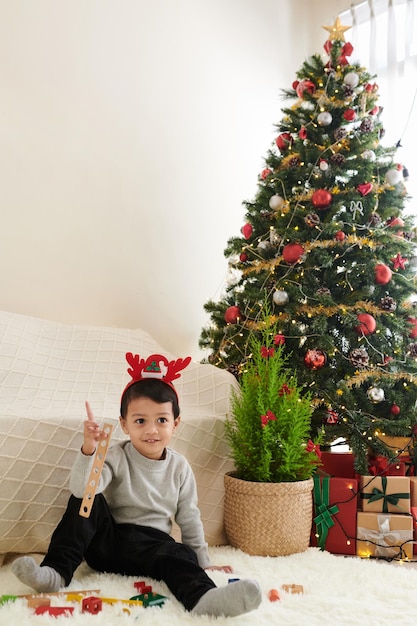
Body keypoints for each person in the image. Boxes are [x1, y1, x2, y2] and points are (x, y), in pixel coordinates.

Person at [12, 352, 262, 618]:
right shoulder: (116, 455)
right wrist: (90, 449)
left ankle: (203, 597)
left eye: (161, 420)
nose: (152, 430)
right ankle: (56, 572)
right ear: (125, 424)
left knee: (181, 554)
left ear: (175, 423)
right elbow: (82, 490)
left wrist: (203, 563)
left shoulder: (179, 468)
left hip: (153, 549)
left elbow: (189, 518)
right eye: (140, 421)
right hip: (109, 544)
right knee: (86, 501)